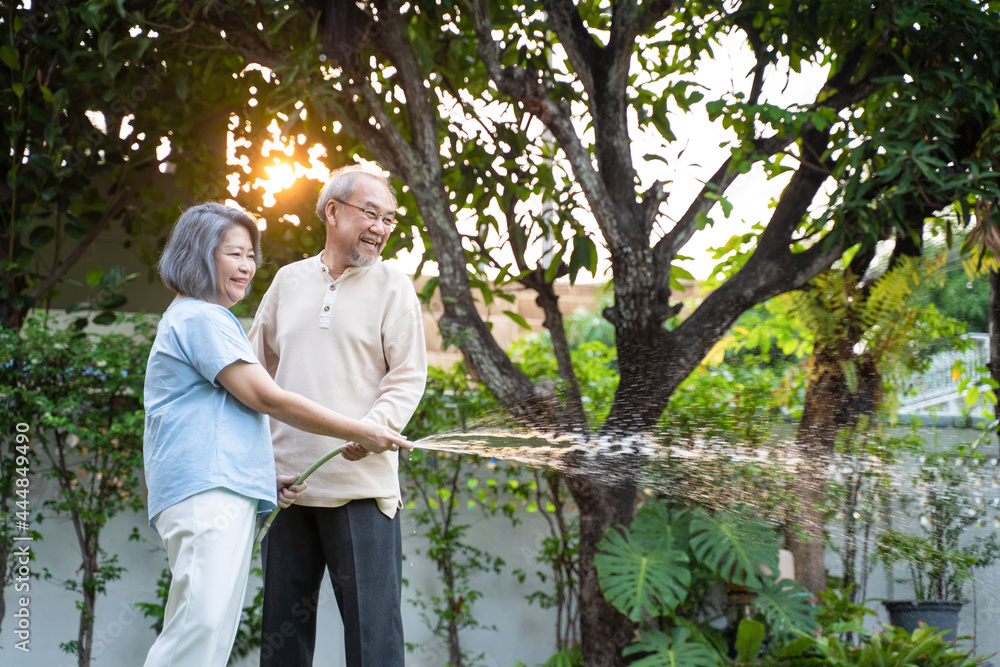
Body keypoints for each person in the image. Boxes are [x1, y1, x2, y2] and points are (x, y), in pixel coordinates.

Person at [142, 202, 409, 667]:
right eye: (233, 254)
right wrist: (360, 429)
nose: (247, 266)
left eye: (250, 255)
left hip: (231, 490)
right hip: (207, 495)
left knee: (208, 634)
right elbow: (267, 397)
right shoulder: (201, 319)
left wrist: (262, 476)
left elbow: (224, 419)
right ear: (199, 255)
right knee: (197, 631)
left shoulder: (204, 319)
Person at [249, 163, 427, 666]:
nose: (381, 228)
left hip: (362, 490)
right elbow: (254, 374)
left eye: (389, 219)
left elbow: (409, 375)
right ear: (333, 211)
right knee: (282, 647)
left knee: (375, 645)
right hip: (289, 489)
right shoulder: (287, 282)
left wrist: (376, 428)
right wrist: (258, 465)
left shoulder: (394, 286)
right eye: (371, 213)